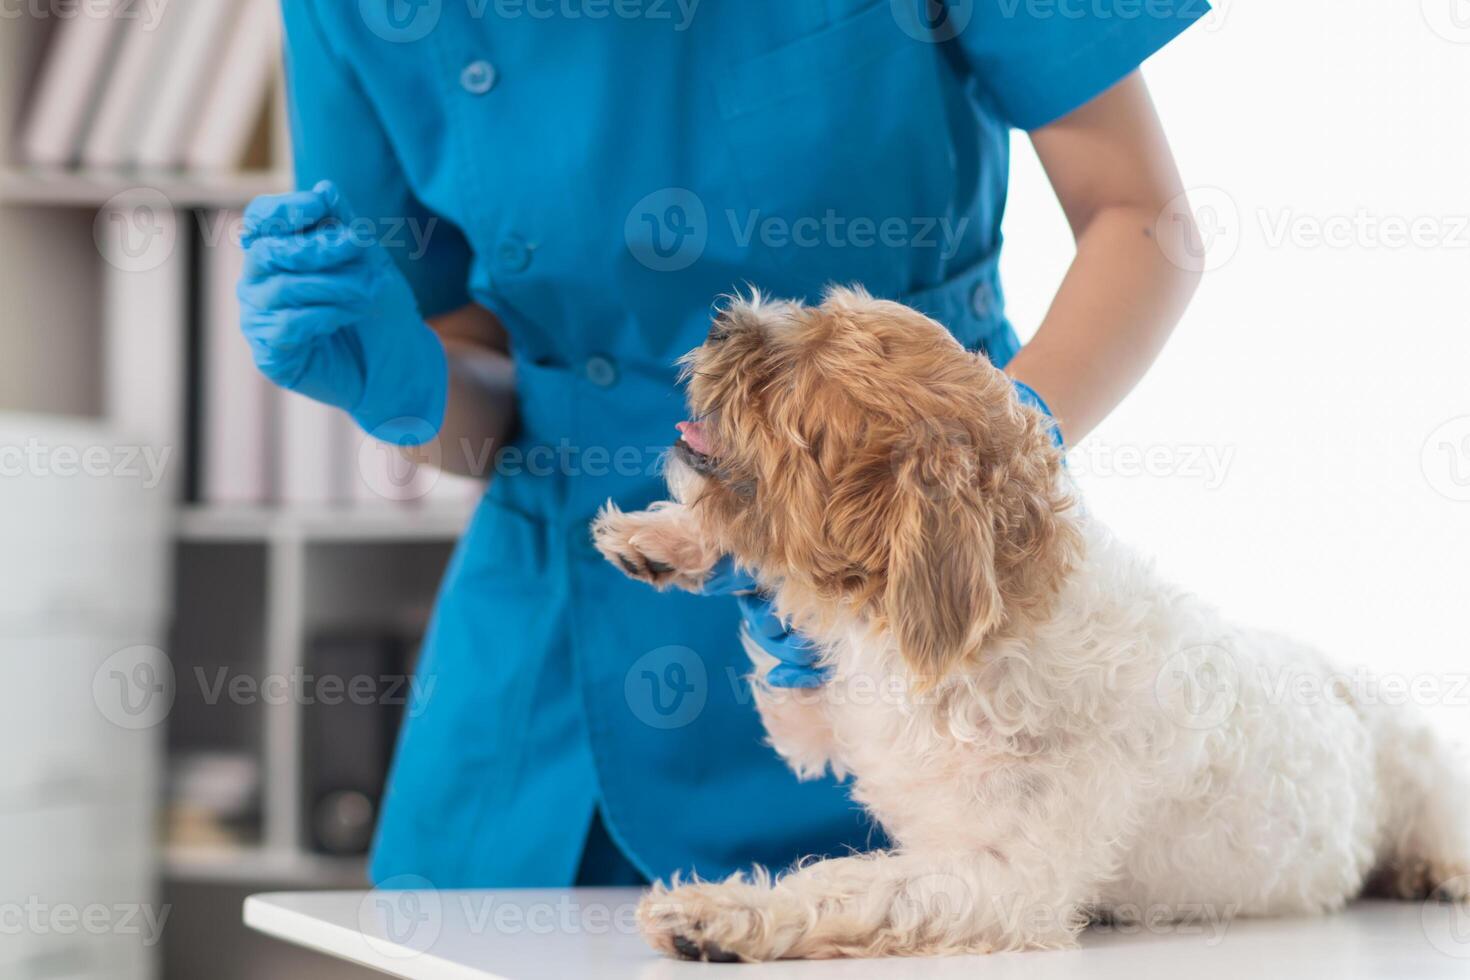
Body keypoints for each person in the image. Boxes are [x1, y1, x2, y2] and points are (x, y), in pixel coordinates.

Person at [237, 0, 1207, 888]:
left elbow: (1140, 219)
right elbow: (477, 387)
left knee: (938, 906)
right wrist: (406, 386)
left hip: (911, 594)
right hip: (558, 661)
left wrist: (987, 465)